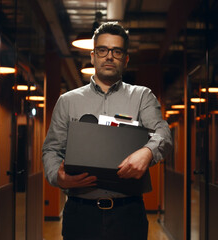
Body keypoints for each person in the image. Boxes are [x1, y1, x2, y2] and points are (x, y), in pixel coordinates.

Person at [42, 22, 172, 240]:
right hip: (79, 214)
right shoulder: (68, 101)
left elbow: (163, 134)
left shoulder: (142, 97)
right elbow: (51, 149)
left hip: (128, 215)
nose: (109, 56)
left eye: (117, 51)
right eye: (103, 50)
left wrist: (148, 152)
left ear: (125, 59)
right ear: (93, 56)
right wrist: (58, 177)